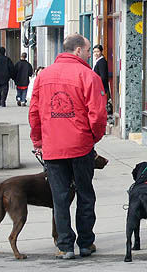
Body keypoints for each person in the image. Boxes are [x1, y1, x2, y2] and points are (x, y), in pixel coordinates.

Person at [29, 34, 107, 259]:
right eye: (88, 49)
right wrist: (93, 137)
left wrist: (38, 141)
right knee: (85, 194)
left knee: (60, 197)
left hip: (53, 146)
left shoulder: (44, 76)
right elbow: (98, 114)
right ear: (78, 50)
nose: (90, 53)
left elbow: (34, 113)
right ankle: (85, 242)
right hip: (80, 146)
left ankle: (64, 245)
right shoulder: (88, 76)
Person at [92, 44, 112, 115]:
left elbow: (103, 76)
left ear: (101, 51)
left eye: (97, 51)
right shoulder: (98, 61)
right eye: (94, 52)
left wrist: (101, 87)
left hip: (101, 87)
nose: (96, 53)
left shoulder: (102, 62)